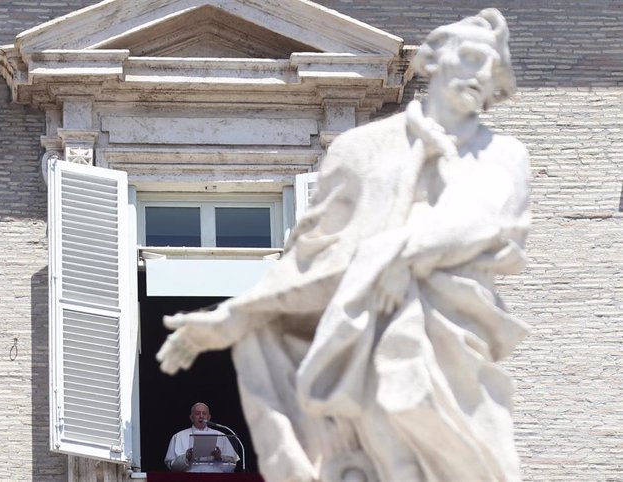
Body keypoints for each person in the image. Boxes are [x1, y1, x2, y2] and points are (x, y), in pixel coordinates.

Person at [158, 9, 529, 482]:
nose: (481, 74)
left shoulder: (502, 155)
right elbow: (315, 256)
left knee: (453, 438)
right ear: (435, 57)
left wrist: (394, 254)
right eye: (473, 56)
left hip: (451, 336)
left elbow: (478, 222)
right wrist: (237, 315)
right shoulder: (360, 151)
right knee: (385, 426)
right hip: (362, 334)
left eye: (493, 69)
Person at [165, 402, 239, 472]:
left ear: (209, 417)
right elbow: (171, 466)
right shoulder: (178, 436)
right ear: (191, 417)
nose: (201, 416)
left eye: (204, 413)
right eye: (197, 413)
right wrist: (186, 457)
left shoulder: (221, 436)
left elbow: (232, 466)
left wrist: (219, 458)